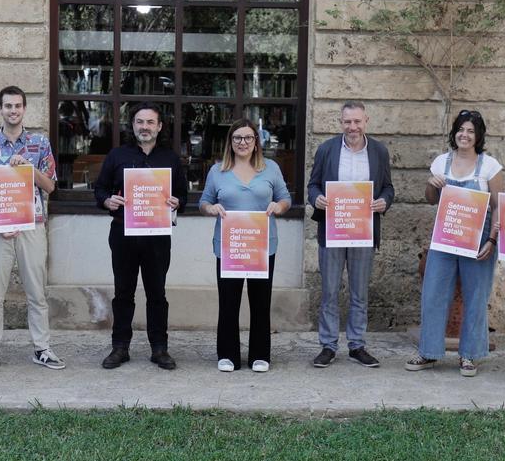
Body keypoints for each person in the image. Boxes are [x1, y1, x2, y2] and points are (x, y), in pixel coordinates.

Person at [0, 86, 65, 373]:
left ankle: (42, 348)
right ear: (0, 109)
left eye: (18, 106)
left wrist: (29, 170)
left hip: (32, 227)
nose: (13, 110)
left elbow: (50, 186)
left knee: (36, 291)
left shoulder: (39, 143)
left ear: (24, 109)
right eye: (8, 106)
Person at [407, 109, 504, 377]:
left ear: (478, 135)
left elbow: (498, 206)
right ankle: (429, 352)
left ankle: (469, 355)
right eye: (461, 129)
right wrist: (431, 183)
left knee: (476, 296)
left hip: (479, 237)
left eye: (471, 130)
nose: (465, 134)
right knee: (433, 293)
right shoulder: (441, 162)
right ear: (455, 133)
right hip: (446, 236)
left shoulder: (490, 166)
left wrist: (492, 240)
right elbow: (430, 199)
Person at [93, 103, 188, 370]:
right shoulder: (117, 155)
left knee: (157, 293)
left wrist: (177, 201)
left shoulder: (170, 159)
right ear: (132, 125)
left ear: (159, 126)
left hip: (157, 236)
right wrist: (106, 201)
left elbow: (183, 194)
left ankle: (159, 349)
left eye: (149, 122)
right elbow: (99, 189)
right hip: (123, 233)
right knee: (123, 292)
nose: (144, 127)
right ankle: (120, 347)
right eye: (139, 122)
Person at [199, 118, 292, 373]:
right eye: (238, 138)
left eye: (248, 138)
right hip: (230, 246)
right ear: (230, 141)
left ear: (256, 142)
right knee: (228, 301)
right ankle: (227, 354)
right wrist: (212, 208)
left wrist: (278, 206)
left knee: (260, 301)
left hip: (262, 246)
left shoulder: (270, 168)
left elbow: (286, 198)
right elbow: (204, 202)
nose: (243, 142)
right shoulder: (217, 171)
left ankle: (260, 355)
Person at [306, 101, 394, 368]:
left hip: (363, 231)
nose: (352, 127)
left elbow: (388, 188)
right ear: (340, 122)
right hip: (332, 230)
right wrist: (317, 198)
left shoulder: (378, 151)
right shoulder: (327, 149)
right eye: (347, 122)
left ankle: (357, 345)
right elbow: (312, 184)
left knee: (359, 292)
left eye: (357, 121)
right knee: (330, 291)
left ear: (366, 120)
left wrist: (384, 202)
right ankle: (328, 346)